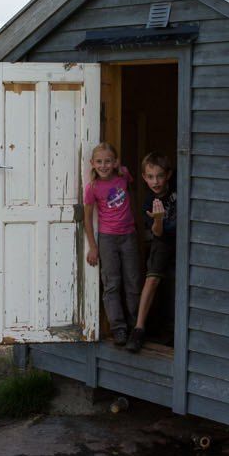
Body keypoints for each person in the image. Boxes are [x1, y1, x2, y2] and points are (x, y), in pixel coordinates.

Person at [83, 142, 141, 345]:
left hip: (129, 236)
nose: (104, 165)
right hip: (107, 240)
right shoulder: (92, 188)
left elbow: (132, 196)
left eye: (108, 161)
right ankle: (118, 329)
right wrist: (93, 246)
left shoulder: (124, 175)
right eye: (99, 161)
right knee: (112, 284)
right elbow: (88, 218)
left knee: (133, 282)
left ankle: (137, 326)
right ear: (92, 163)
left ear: (116, 162)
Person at [127, 152, 176, 353]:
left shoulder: (178, 186)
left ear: (168, 175)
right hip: (163, 240)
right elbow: (157, 232)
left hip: (186, 238)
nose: (155, 181)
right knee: (153, 279)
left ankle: (173, 330)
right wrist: (158, 218)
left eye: (159, 176)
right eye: (150, 177)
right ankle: (139, 328)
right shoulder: (149, 202)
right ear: (144, 177)